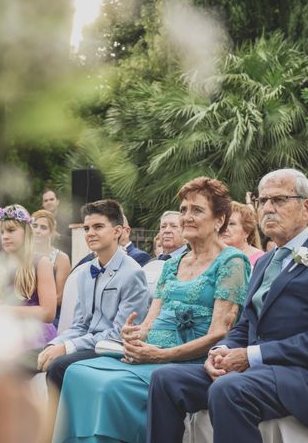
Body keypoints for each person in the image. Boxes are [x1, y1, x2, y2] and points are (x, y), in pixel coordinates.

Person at [147, 168, 308, 443]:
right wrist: (221, 351)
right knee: (166, 380)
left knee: (229, 388)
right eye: (262, 200)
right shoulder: (265, 261)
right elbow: (246, 325)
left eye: (278, 200)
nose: (267, 208)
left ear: (305, 206)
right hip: (260, 373)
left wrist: (252, 356)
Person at [52, 177, 250, 443]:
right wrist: (133, 335)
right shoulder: (171, 264)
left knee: (110, 386)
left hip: (188, 359)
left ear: (219, 219)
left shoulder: (232, 261)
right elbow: (149, 322)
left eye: (197, 210)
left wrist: (160, 355)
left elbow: (219, 333)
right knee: (76, 373)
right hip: (150, 354)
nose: (186, 217)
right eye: (183, 210)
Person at [37, 199, 148, 391]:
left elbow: (118, 334)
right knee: (30, 359)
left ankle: (57, 421)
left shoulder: (133, 273)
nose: (90, 233)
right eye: (87, 228)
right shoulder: (85, 272)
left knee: (58, 366)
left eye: (98, 227)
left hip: (113, 349)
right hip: (89, 344)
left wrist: (67, 347)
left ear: (117, 231)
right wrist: (55, 343)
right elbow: (80, 325)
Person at [0, 204, 57, 347]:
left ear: (26, 232)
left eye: (11, 230)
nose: (5, 236)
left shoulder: (41, 262)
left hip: (33, 332)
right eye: (1, 232)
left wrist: (6, 311)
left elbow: (48, 313)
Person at [31, 209, 72, 327]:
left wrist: (33, 308)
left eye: (43, 227)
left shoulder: (61, 258)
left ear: (51, 232)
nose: (37, 231)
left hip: (50, 317)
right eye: (35, 226)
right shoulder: (23, 255)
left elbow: (60, 296)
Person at [221, 201, 265, 266]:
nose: (225, 228)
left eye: (231, 224)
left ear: (246, 231)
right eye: (223, 223)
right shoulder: (213, 256)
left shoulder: (261, 259)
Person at [42, 188, 72, 254]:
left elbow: (75, 241)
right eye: (46, 200)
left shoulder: (68, 219)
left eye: (51, 199)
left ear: (57, 201)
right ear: (43, 204)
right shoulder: (39, 220)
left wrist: (58, 237)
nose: (49, 202)